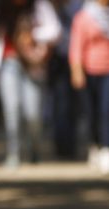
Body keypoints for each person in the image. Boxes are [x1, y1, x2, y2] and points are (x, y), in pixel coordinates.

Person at [0, 0, 61, 169]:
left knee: (33, 113)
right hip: (8, 63)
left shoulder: (39, 6)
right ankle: (13, 153)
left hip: (32, 64)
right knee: (11, 108)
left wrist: (32, 35)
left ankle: (34, 149)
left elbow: (55, 30)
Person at [70, 0, 109, 173]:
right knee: (91, 113)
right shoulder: (83, 17)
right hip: (89, 71)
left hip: (107, 71)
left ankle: (106, 148)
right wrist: (77, 70)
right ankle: (94, 144)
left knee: (106, 111)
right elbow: (76, 47)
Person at [48, 0, 85, 160]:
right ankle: (61, 145)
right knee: (60, 103)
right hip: (57, 60)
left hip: (77, 60)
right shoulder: (50, 6)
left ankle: (70, 144)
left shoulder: (78, 5)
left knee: (73, 104)